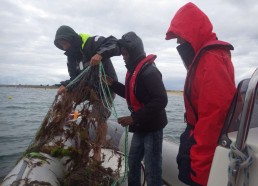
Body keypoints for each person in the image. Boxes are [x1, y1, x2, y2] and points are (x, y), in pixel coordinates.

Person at [165, 2, 236, 186]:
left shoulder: (210, 59)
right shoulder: (205, 58)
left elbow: (215, 117)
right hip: (194, 138)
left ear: (192, 34)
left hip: (202, 149)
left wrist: (201, 167)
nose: (179, 45)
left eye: (180, 40)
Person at [103, 32, 168, 186]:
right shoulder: (134, 71)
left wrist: (133, 118)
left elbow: (161, 100)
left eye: (125, 53)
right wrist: (113, 84)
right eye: (122, 53)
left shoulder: (149, 72)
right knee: (133, 163)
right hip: (140, 126)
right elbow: (132, 94)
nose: (123, 56)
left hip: (152, 128)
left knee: (152, 169)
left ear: (133, 51)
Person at [54, 25, 119, 161]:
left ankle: (97, 150)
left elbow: (114, 42)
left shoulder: (92, 42)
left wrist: (100, 54)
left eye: (65, 43)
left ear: (71, 39)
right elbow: (75, 79)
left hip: (105, 88)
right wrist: (65, 85)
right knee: (66, 95)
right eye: (61, 45)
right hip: (87, 88)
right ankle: (60, 129)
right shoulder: (71, 58)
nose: (64, 48)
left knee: (99, 118)